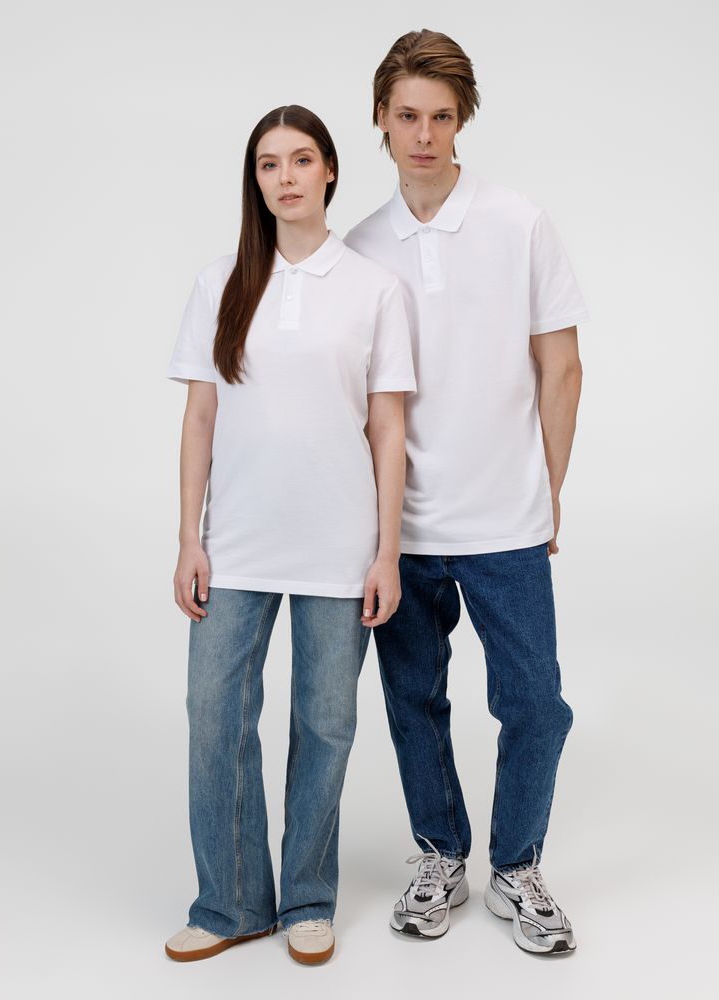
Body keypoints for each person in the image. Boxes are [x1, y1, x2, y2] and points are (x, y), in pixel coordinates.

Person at [344, 30, 588, 955]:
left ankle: (516, 865)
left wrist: (549, 486)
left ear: (463, 120)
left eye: (442, 117)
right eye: (407, 115)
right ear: (380, 117)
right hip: (400, 527)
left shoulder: (519, 222)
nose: (424, 135)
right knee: (414, 698)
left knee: (535, 704)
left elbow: (561, 365)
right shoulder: (360, 247)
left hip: (506, 518)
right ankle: (441, 853)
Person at [164, 105, 416, 966]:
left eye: (301, 159)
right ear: (256, 181)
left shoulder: (373, 288)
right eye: (269, 164)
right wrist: (189, 537)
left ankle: (308, 898)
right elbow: (200, 417)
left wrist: (386, 551)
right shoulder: (221, 283)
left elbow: (388, 427)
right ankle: (232, 902)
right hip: (236, 542)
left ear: (331, 169)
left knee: (327, 724)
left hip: (341, 547)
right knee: (214, 715)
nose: (286, 177)